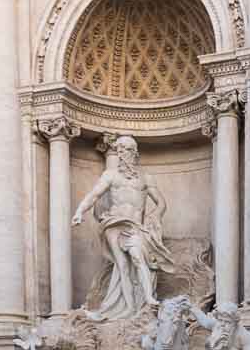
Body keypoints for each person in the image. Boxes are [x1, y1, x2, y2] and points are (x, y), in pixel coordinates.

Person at [71, 135, 175, 322]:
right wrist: (79, 211)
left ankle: (148, 298)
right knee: (122, 266)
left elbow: (161, 202)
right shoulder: (110, 175)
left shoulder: (145, 177)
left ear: (134, 151)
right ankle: (128, 309)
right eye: (118, 149)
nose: (121, 153)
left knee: (138, 257)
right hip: (114, 224)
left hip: (135, 226)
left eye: (125, 149)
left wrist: (155, 215)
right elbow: (94, 195)